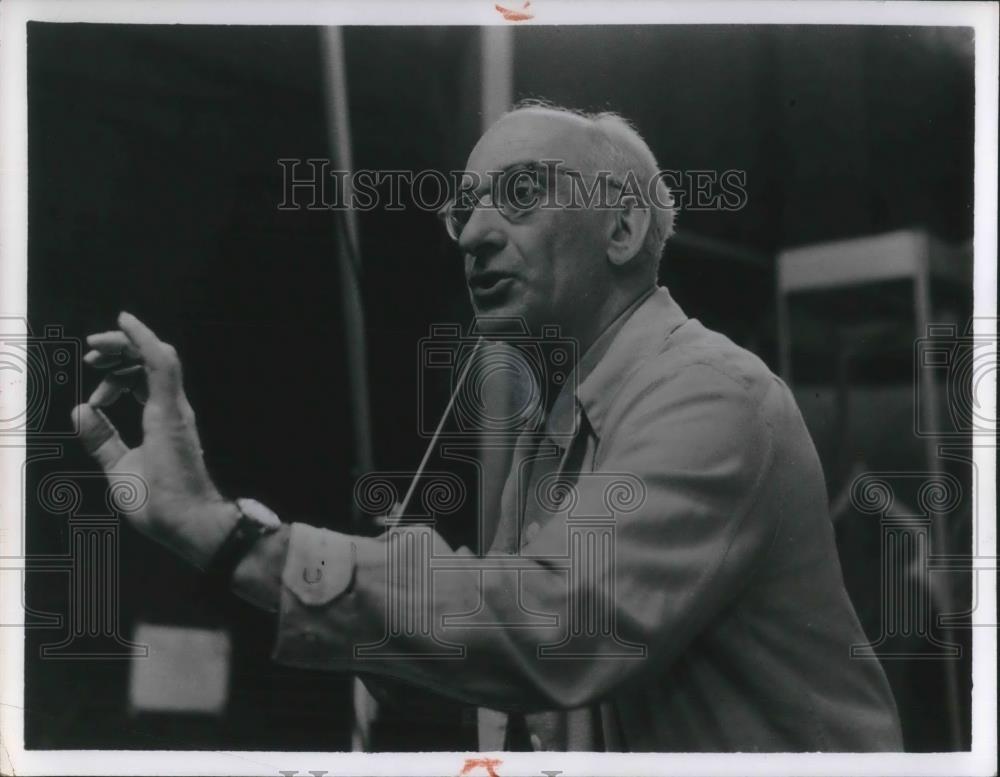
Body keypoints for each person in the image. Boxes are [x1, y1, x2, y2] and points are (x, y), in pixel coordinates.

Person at [71, 102, 903, 752]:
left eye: (518, 195)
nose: (470, 234)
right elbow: (510, 682)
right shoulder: (557, 430)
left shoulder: (712, 397)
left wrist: (228, 537)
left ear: (622, 229)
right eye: (464, 209)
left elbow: (553, 626)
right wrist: (392, 649)